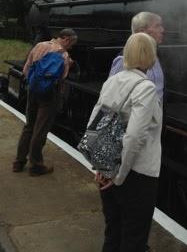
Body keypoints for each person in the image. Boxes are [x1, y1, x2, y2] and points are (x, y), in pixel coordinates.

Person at [93, 32, 162, 252]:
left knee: (113, 231)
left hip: (108, 168)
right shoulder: (147, 88)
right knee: (134, 238)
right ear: (151, 55)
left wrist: (102, 166)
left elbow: (95, 123)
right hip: (136, 174)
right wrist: (119, 175)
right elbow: (134, 137)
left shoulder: (113, 80)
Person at [12, 28, 78, 176]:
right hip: (49, 95)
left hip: (32, 90)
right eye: (71, 43)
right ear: (66, 39)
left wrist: (34, 83)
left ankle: (18, 162)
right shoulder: (64, 55)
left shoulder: (39, 45)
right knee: (40, 130)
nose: (71, 47)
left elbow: (26, 69)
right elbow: (62, 78)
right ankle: (36, 166)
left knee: (29, 125)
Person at [109, 12, 165, 101]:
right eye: (157, 26)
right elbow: (111, 96)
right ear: (141, 32)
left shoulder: (157, 54)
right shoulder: (124, 58)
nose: (162, 30)